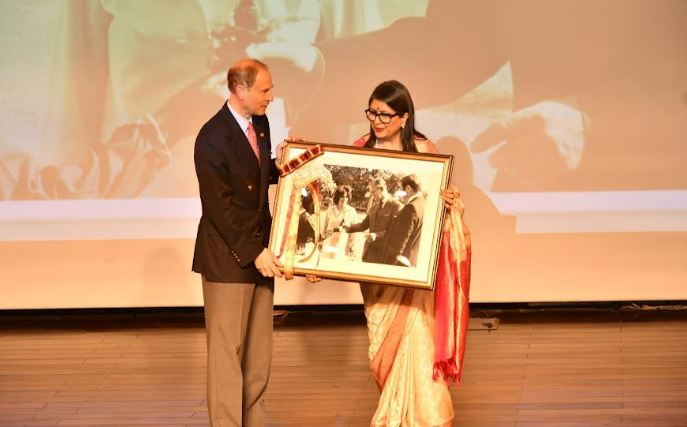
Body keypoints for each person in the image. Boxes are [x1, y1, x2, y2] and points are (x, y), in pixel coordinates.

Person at [310, 80, 467, 426]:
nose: (377, 120)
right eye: (372, 112)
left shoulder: (425, 151)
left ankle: (424, 417)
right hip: (375, 274)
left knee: (418, 340)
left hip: (413, 273)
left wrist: (452, 203)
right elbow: (364, 217)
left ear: (404, 117)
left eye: (385, 114)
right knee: (380, 340)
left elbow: (442, 207)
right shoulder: (359, 149)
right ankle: (396, 407)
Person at [192, 58, 283, 427]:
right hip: (230, 257)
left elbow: (257, 173)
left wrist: (288, 165)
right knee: (227, 354)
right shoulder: (212, 137)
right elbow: (219, 208)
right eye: (264, 90)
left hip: (260, 250)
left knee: (258, 354)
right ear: (240, 90)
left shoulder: (259, 123)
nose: (271, 97)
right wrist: (253, 253)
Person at [343, 177, 402, 264]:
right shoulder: (374, 206)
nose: (372, 195)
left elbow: (394, 232)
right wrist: (349, 227)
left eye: (373, 192)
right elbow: (364, 225)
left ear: (381, 189)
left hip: (382, 256)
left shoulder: (397, 206)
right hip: (367, 254)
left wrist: (376, 235)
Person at [382, 174, 425, 267]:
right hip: (411, 262)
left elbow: (399, 245)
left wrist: (387, 267)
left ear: (408, 188)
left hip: (399, 265)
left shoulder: (411, 208)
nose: (399, 193)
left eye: (401, 189)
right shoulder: (423, 204)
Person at [319, 185, 357, 260]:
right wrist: (321, 241)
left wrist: (351, 247)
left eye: (346, 196)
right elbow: (324, 227)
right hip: (328, 244)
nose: (344, 198)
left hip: (341, 246)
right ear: (337, 197)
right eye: (342, 196)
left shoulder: (351, 211)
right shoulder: (330, 209)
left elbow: (353, 232)